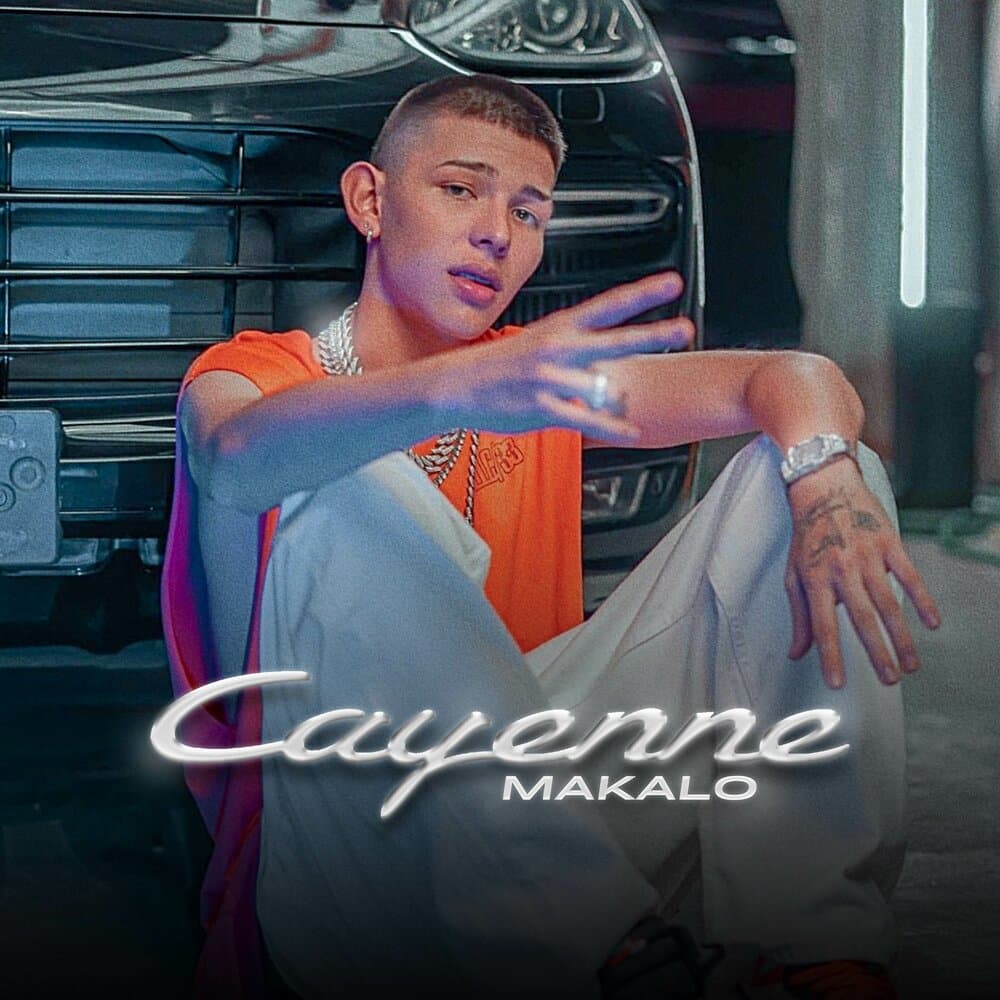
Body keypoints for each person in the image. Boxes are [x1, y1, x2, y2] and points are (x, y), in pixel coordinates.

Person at [161, 74, 940, 998]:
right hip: (344, 849)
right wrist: (458, 390)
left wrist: (825, 479)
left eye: (527, 212)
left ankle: (817, 952)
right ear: (370, 201)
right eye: (461, 188)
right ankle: (602, 947)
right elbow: (235, 458)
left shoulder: (533, 378)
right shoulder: (254, 376)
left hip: (548, 806)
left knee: (815, 467)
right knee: (345, 473)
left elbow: (793, 376)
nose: (497, 232)